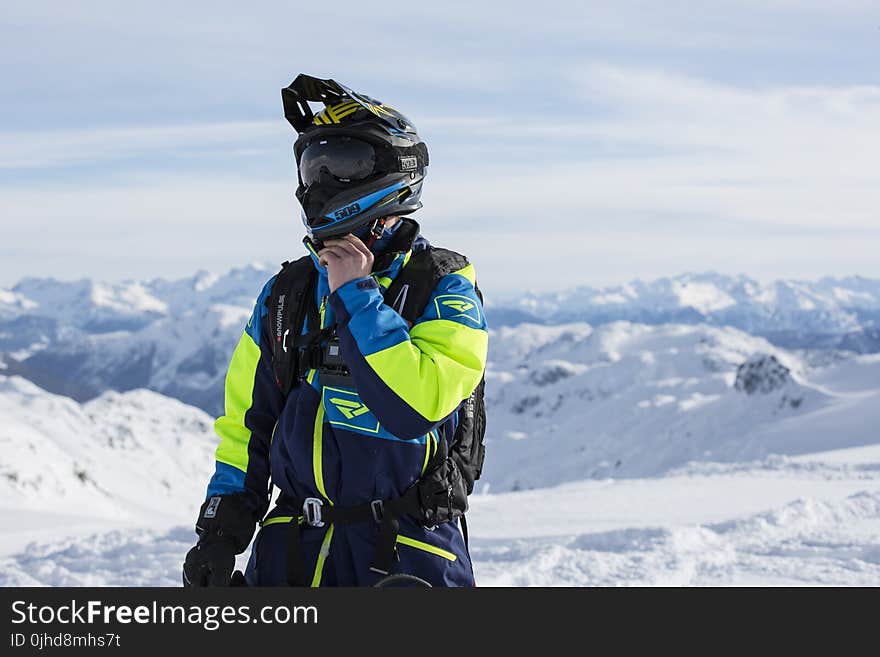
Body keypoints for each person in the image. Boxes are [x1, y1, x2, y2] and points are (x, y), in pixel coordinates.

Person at [183, 75, 488, 587]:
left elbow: (414, 405)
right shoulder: (289, 293)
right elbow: (246, 426)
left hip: (404, 557)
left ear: (396, 173)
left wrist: (356, 296)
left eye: (343, 163)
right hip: (290, 552)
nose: (321, 180)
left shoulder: (442, 284)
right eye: (313, 164)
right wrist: (219, 532)